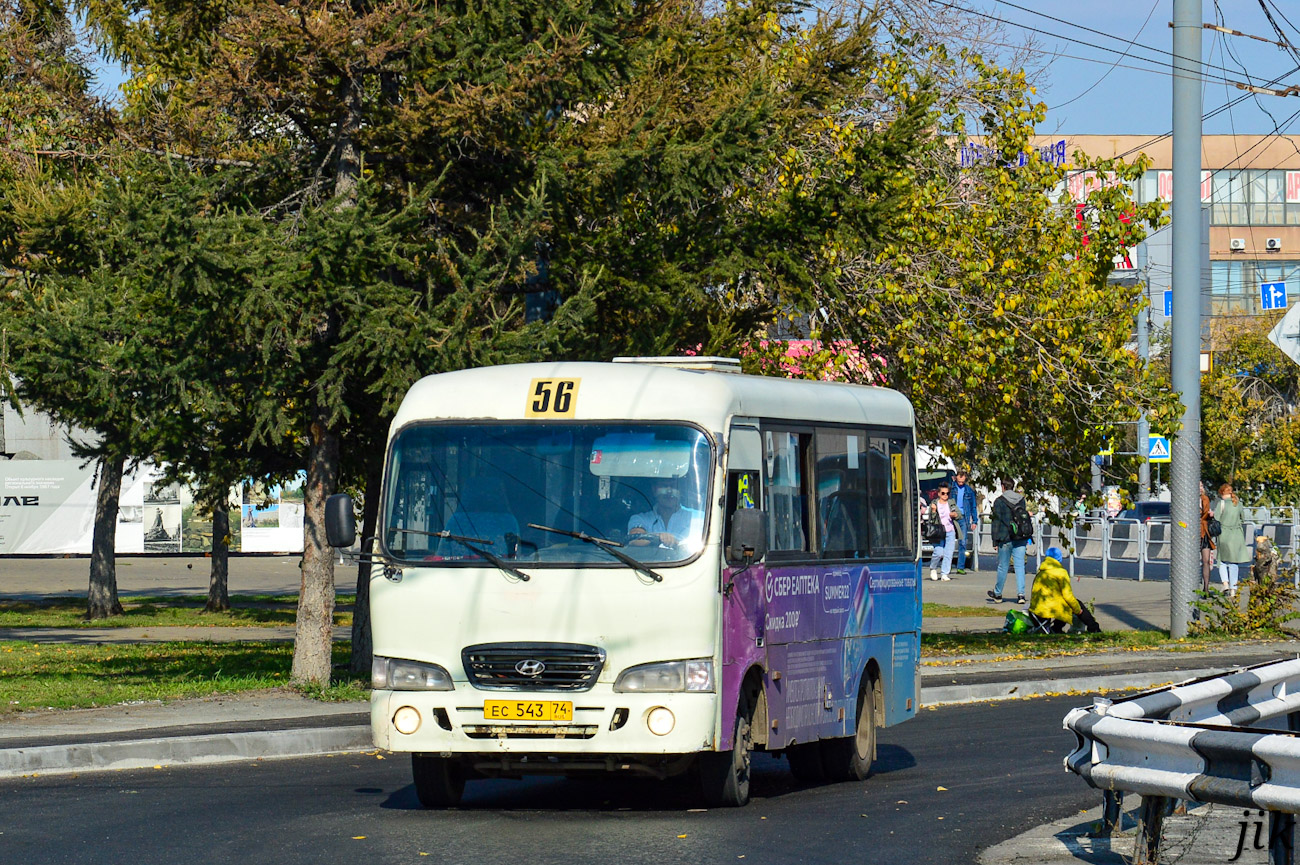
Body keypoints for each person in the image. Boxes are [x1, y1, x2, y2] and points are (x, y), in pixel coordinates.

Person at [1028, 546, 1100, 633]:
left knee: (1066, 604)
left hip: (1036, 610)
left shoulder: (1041, 571)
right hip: (1049, 609)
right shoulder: (1061, 572)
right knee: (1075, 604)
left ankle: (1056, 629)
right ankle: (1094, 628)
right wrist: (1078, 610)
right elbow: (1068, 596)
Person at [628, 478, 704, 552]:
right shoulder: (640, 518)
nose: (669, 491)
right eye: (664, 486)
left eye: (674, 486)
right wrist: (658, 537)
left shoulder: (699, 518)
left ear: (681, 491)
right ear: (654, 490)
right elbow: (634, 539)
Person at [988, 477, 1029, 605]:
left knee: (1003, 566)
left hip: (1005, 537)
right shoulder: (1021, 500)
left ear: (1003, 487)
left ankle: (998, 593)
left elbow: (996, 522)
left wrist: (995, 541)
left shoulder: (999, 501)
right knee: (1019, 566)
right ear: (1013, 486)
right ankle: (1021, 594)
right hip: (1020, 536)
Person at [1213, 483, 1249, 598]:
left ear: (1223, 493)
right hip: (1237, 535)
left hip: (1224, 534)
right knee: (1234, 563)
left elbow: (1216, 518)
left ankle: (1225, 583)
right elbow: (1243, 518)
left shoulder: (1221, 504)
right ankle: (1234, 589)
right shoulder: (1238, 504)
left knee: (1222, 560)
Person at [926, 481, 962, 581]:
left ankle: (944, 574)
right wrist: (933, 511)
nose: (945, 495)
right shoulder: (934, 503)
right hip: (939, 532)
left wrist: (955, 515)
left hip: (950, 531)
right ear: (939, 493)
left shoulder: (951, 503)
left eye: (947, 493)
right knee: (939, 552)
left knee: (948, 553)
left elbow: (959, 514)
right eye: (943, 493)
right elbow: (931, 520)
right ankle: (933, 568)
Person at [951, 469, 978, 574]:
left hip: (963, 517)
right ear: (956, 478)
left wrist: (974, 521)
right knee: (949, 541)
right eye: (959, 481)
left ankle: (960, 567)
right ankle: (947, 566)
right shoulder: (951, 488)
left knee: (963, 542)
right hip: (951, 516)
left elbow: (973, 506)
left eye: (962, 482)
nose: (960, 483)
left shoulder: (969, 491)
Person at [1199, 481, 1216, 595]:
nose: (1200, 488)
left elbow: (1205, 514)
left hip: (1204, 532)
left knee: (1206, 560)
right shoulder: (1188, 499)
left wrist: (1210, 515)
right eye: (1198, 486)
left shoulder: (1205, 499)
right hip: (1192, 532)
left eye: (1201, 486)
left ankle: (1206, 587)